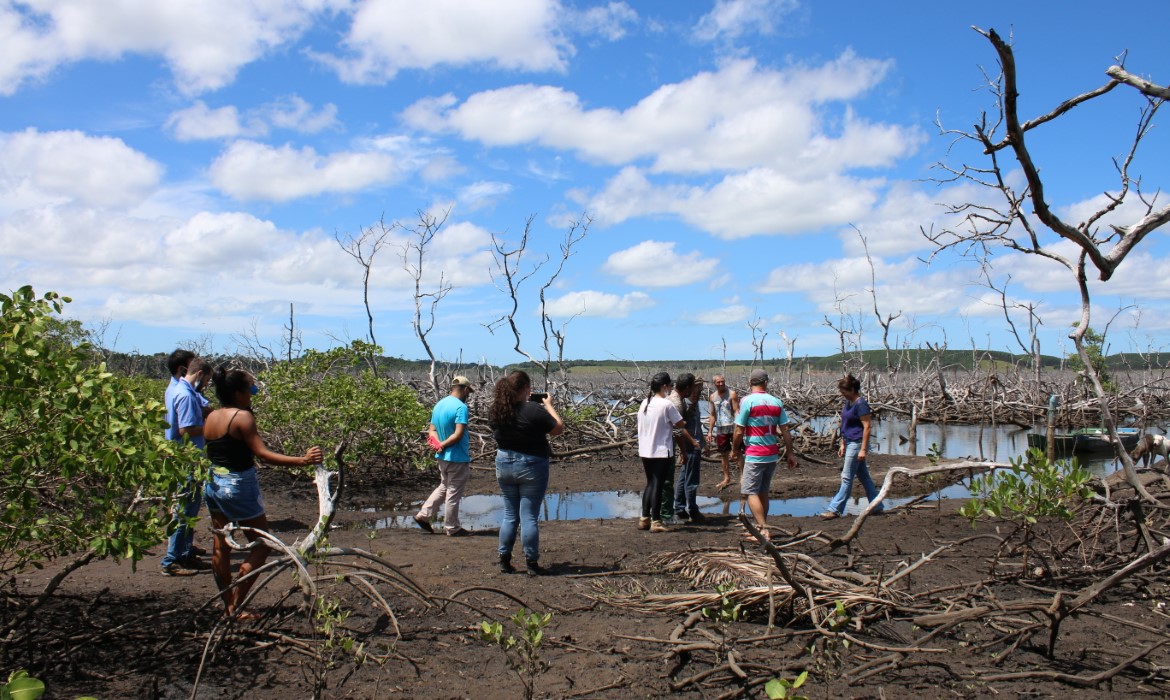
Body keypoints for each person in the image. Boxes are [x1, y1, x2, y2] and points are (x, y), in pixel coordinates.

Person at [203, 366, 322, 618]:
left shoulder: (211, 416)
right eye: (251, 388)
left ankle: (228, 606)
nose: (253, 393)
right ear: (237, 393)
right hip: (237, 485)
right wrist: (303, 460)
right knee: (263, 545)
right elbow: (263, 454)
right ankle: (236, 604)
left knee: (220, 547)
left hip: (213, 482)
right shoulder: (242, 417)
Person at [489, 371, 564, 576]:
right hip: (532, 465)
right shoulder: (533, 409)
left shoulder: (496, 410)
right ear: (524, 389)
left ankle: (504, 560)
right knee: (529, 516)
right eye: (529, 387)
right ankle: (531, 562)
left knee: (510, 515)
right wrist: (548, 406)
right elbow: (558, 428)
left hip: (504, 462)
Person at [160, 357, 214, 576]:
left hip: (190, 458)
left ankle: (185, 554)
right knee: (184, 510)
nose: (207, 385)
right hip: (188, 459)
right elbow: (187, 429)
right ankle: (171, 561)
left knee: (189, 509)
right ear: (199, 374)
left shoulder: (185, 392)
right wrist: (214, 426)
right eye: (207, 380)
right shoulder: (184, 395)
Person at [732, 369, 797, 542]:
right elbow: (785, 430)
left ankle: (763, 530)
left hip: (755, 453)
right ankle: (763, 527)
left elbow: (739, 430)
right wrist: (790, 453)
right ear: (766, 383)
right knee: (763, 491)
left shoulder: (747, 401)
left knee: (750, 491)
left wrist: (734, 449)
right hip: (772, 453)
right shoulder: (776, 402)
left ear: (749, 383)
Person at [414, 376, 475, 536]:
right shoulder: (461, 407)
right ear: (466, 389)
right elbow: (458, 434)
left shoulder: (439, 405)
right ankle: (452, 527)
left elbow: (431, 430)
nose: (468, 395)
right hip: (456, 456)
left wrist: (437, 445)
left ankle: (423, 515)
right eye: (469, 391)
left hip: (441, 456)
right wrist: (443, 445)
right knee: (453, 492)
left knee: (444, 486)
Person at [636, 372, 694, 532]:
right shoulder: (666, 404)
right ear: (664, 386)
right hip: (661, 451)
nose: (670, 389)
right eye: (669, 386)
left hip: (645, 450)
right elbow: (680, 424)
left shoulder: (644, 403)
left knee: (650, 483)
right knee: (658, 485)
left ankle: (644, 518)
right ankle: (656, 521)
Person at [822, 374, 883, 519]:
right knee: (864, 477)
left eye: (844, 391)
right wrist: (843, 443)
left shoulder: (861, 404)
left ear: (853, 390)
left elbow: (867, 427)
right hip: (849, 441)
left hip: (857, 443)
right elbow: (845, 424)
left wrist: (863, 449)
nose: (842, 394)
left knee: (846, 476)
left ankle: (835, 509)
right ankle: (877, 505)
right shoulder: (848, 403)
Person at [659, 373, 697, 521]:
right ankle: (666, 516)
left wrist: (693, 405)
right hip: (665, 448)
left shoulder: (680, 400)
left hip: (665, 447)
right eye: (693, 387)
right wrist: (685, 450)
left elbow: (682, 420)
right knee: (666, 483)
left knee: (663, 482)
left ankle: (660, 514)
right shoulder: (675, 402)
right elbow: (678, 430)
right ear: (687, 388)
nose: (694, 390)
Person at [673, 376, 707, 523]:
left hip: (695, 442)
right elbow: (681, 426)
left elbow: (697, 425)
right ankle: (692, 509)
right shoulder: (686, 402)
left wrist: (704, 443)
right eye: (698, 387)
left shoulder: (694, 402)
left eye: (700, 388)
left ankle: (680, 508)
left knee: (684, 475)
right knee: (691, 479)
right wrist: (693, 444)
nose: (699, 391)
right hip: (691, 443)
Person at [707, 375, 740, 490]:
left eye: (722, 382)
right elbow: (712, 414)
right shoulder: (712, 397)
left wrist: (738, 426)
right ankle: (727, 478)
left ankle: (743, 478)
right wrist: (710, 431)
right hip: (721, 428)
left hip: (733, 426)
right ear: (714, 383)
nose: (721, 384)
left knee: (739, 452)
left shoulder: (732, 394)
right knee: (724, 454)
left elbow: (736, 410)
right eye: (718, 382)